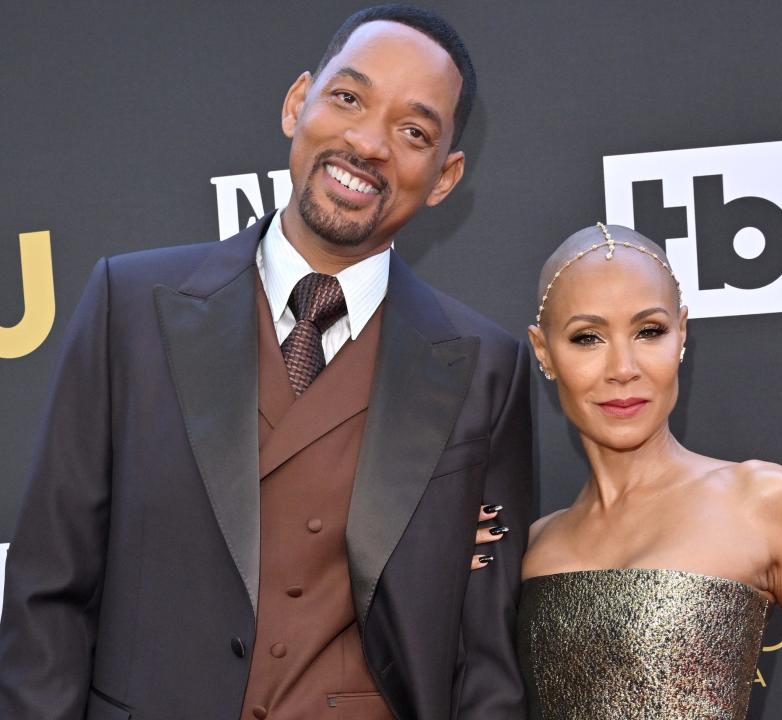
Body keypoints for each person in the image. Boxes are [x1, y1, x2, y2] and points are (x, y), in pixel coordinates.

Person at [0, 5, 532, 719]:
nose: (367, 142)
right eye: (348, 98)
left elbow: (483, 663)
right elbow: (46, 598)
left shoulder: (484, 369)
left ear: (444, 176)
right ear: (296, 103)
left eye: (413, 132)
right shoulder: (128, 308)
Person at [518, 223, 782, 719]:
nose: (623, 367)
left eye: (649, 331)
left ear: (682, 334)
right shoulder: (535, 545)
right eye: (588, 338)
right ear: (544, 352)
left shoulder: (760, 500)